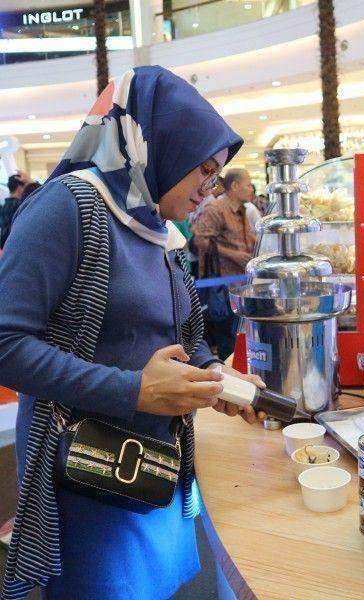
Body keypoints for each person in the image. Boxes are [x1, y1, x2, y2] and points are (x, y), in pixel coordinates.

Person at [0, 66, 266, 600]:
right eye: (203, 171)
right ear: (157, 146)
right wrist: (133, 390)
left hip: (153, 463)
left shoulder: (154, 225)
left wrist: (209, 371)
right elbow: (6, 344)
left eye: (217, 175)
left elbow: (179, 328)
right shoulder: (68, 207)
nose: (207, 190)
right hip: (86, 471)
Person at [192, 168, 258, 360]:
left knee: (239, 338)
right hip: (222, 288)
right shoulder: (216, 209)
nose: (251, 189)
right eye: (248, 184)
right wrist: (233, 254)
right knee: (229, 343)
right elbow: (200, 241)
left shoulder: (242, 210)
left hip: (241, 286)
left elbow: (246, 238)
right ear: (235, 186)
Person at [0, 171, 31, 249]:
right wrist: (30, 182)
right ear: (19, 187)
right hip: (17, 246)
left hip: (5, 246)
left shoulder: (5, 205)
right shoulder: (20, 205)